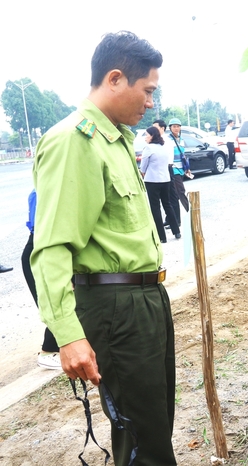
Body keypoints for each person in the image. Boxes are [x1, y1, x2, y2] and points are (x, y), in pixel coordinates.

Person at [31, 31, 176, 465]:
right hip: (117, 308)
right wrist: (68, 335)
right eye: (147, 90)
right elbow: (51, 247)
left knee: (152, 426)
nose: (151, 103)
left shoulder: (115, 139)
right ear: (115, 78)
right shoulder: (75, 140)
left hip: (144, 299)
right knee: (144, 441)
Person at [21, 189, 61, 370]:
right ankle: (49, 352)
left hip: (47, 248)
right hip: (40, 249)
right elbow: (42, 228)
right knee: (54, 304)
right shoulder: (41, 191)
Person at [140, 125, 181, 243]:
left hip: (152, 180)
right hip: (165, 179)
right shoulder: (163, 147)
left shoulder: (148, 148)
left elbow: (143, 167)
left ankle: (162, 236)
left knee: (155, 207)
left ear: (152, 136)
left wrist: (142, 172)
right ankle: (176, 231)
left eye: (147, 135)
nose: (145, 138)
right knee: (167, 205)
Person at [167, 118, 190, 225]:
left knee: (176, 194)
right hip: (173, 168)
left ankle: (176, 220)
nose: (176, 128)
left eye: (178, 126)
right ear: (170, 128)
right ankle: (189, 213)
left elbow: (183, 155)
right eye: (174, 126)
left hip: (181, 169)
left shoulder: (182, 139)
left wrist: (187, 168)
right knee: (180, 192)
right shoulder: (167, 140)